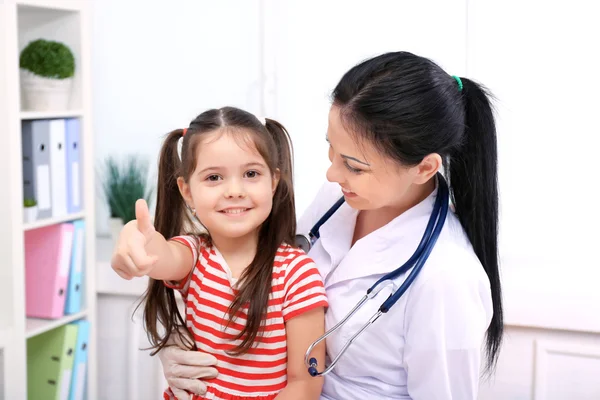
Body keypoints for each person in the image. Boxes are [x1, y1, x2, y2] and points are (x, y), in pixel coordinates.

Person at [156, 50, 503, 400]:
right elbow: (255, 278)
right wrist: (186, 344)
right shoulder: (342, 195)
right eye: (331, 150)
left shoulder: (447, 277)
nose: (332, 173)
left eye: (353, 164)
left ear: (424, 169)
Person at [110, 107, 329, 400]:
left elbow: (305, 384)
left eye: (251, 173)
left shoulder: (297, 273)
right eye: (214, 177)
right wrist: (133, 237)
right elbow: (160, 255)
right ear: (187, 191)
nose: (234, 190)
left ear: (273, 181)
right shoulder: (194, 255)